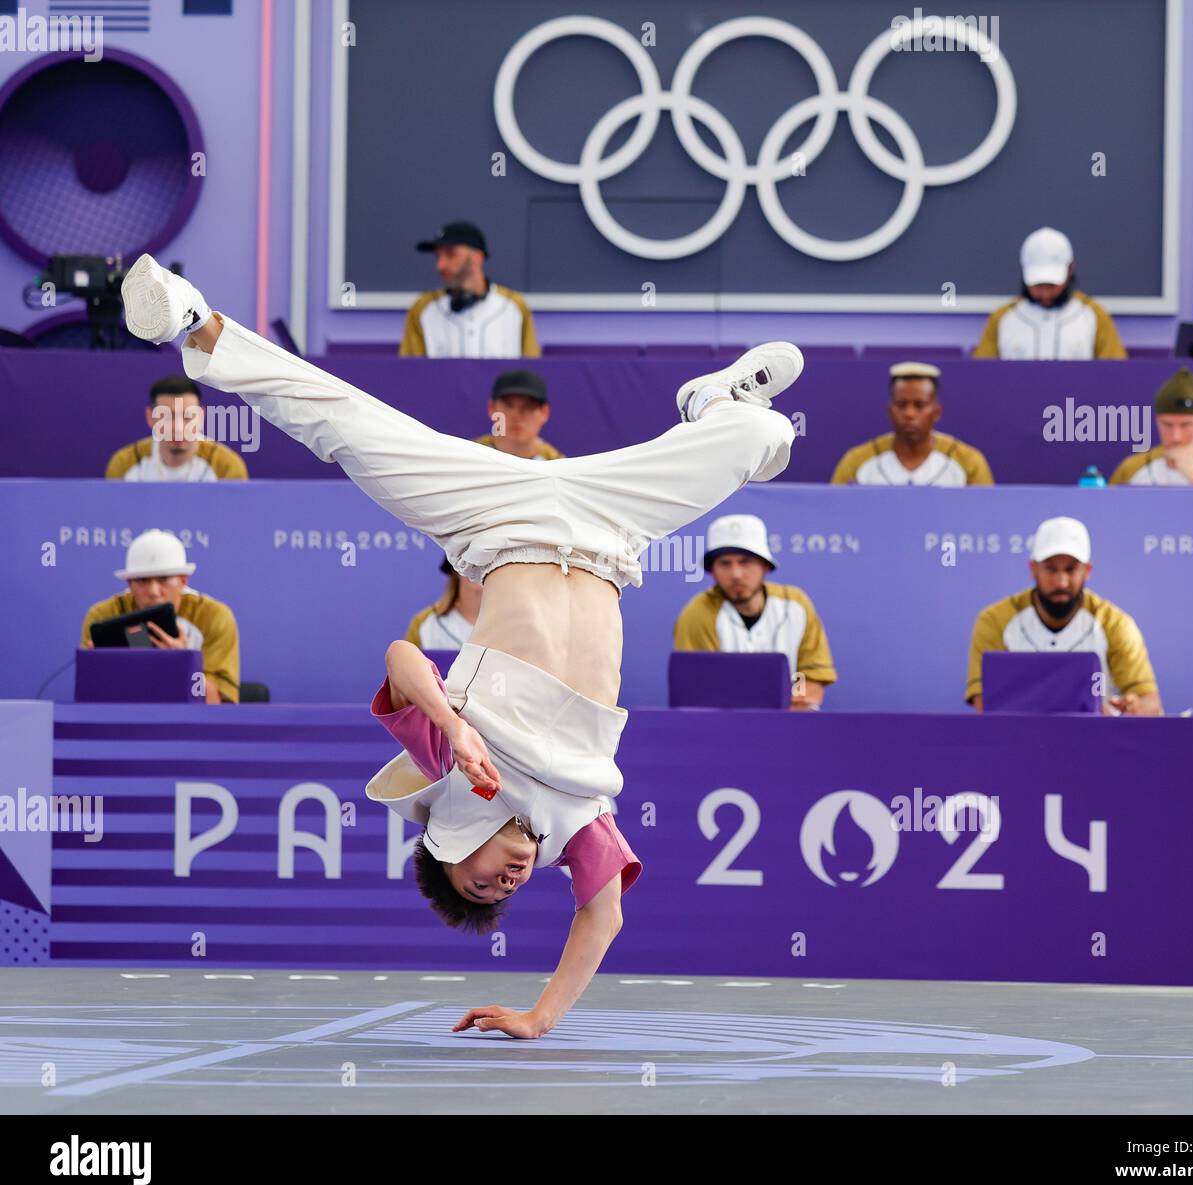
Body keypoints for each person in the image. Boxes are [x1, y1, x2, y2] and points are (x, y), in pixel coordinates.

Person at [121, 253, 799, 1039]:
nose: (505, 882)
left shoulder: (450, 774)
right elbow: (603, 914)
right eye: (505, 895)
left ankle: (191, 320)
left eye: (479, 888)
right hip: (611, 529)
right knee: (764, 434)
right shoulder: (577, 817)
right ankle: (714, 401)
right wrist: (541, 1017)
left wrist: (452, 723)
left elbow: (399, 658)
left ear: (449, 847)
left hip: (499, 521)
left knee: (353, 428)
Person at [965, 516, 1161, 715]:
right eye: (1050, 569)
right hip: (1016, 740)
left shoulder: (1115, 623)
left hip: (1096, 741)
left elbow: (1151, 706)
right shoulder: (994, 620)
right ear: (1033, 569)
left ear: (1087, 571)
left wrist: (1133, 708)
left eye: (1071, 569)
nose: (1061, 582)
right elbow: (985, 706)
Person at [673, 514, 836, 711]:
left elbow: (812, 677)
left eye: (745, 561)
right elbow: (699, 693)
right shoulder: (697, 613)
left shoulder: (797, 604)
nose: (736, 574)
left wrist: (792, 698)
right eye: (725, 563)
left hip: (790, 723)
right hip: (722, 729)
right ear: (712, 571)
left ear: (765, 565)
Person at [80, 528, 240, 704]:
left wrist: (183, 664)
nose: (154, 592)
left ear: (183, 581)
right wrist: (96, 670)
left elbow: (216, 701)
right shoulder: (103, 616)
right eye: (142, 580)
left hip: (190, 724)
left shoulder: (214, 616)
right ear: (129, 584)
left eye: (164, 579)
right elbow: (92, 699)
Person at [974, 227, 1126, 360]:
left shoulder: (1094, 316)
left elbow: (1115, 377)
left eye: (1052, 285)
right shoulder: (1002, 317)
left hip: (1075, 395)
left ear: (1070, 270)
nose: (1045, 294)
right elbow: (981, 378)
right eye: (1037, 285)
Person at [830, 362, 993, 486]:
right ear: (890, 411)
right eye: (901, 405)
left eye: (919, 405)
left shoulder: (968, 462)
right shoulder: (857, 462)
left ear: (936, 413)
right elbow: (833, 517)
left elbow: (987, 519)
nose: (909, 414)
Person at [399, 222, 539, 359]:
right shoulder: (422, 308)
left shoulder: (513, 306)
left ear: (477, 257)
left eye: (451, 254)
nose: (440, 265)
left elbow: (534, 373)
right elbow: (409, 373)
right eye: (438, 256)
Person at [105, 375, 249, 481]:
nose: (178, 428)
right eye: (167, 417)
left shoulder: (226, 466)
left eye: (188, 417)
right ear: (150, 417)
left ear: (200, 416)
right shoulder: (125, 463)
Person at [474, 370, 563, 461]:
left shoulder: (559, 468)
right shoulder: (467, 457)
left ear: (545, 412)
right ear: (492, 408)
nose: (516, 415)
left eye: (528, 406)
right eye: (508, 405)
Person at [405, 557, 483, 650]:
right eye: (471, 562)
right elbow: (405, 663)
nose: (479, 568)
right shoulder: (425, 622)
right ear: (456, 569)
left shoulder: (504, 624)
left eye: (488, 562)